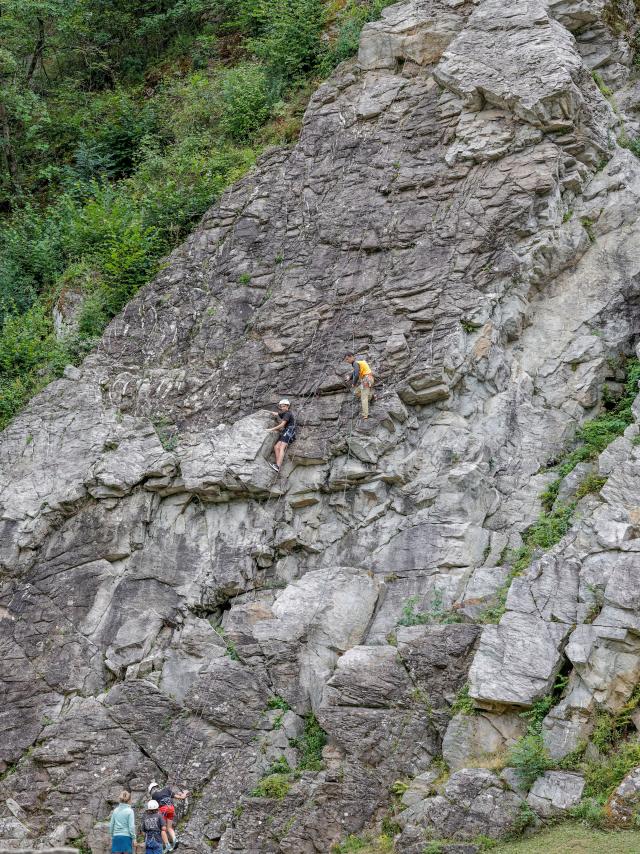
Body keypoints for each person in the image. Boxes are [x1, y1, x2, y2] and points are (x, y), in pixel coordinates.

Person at [148, 782, 189, 851]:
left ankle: (167, 846)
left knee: (162, 829)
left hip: (163, 809)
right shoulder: (167, 790)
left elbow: (153, 808)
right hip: (171, 808)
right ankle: (175, 840)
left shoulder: (154, 796)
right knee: (169, 827)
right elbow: (180, 797)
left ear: (152, 790)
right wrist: (184, 794)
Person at [266, 398, 296, 472]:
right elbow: (277, 414)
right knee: (276, 447)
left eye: (283, 406)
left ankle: (278, 466)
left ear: (287, 406)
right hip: (286, 431)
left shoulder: (288, 414)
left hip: (289, 431)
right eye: (281, 406)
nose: (282, 408)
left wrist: (271, 429)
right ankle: (277, 465)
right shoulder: (284, 413)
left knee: (281, 447)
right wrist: (268, 412)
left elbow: (282, 425)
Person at [345, 353, 374, 418]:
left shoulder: (355, 363)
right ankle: (371, 397)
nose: (347, 361)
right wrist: (350, 378)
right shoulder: (357, 363)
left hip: (366, 379)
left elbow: (357, 374)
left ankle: (365, 415)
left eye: (347, 359)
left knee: (363, 398)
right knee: (356, 392)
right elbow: (354, 372)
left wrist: (353, 383)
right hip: (368, 379)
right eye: (346, 360)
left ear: (352, 357)